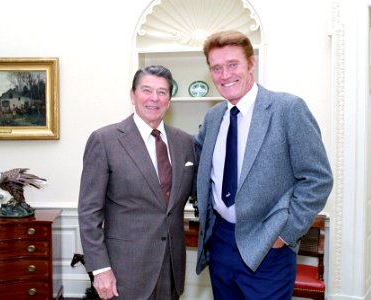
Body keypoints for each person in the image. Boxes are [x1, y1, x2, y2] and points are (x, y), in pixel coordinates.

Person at [194, 30, 334, 299]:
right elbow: (197, 164)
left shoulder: (287, 109)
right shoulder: (213, 118)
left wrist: (285, 233)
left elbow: (318, 178)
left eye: (233, 65)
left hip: (268, 245)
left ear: (251, 63)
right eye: (216, 68)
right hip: (221, 242)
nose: (225, 75)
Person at [78, 65, 196, 300]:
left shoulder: (185, 142)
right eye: (147, 90)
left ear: (169, 100)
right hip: (125, 272)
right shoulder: (105, 140)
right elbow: (90, 211)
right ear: (132, 95)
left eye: (162, 92)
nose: (154, 98)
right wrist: (100, 269)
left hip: (172, 268)